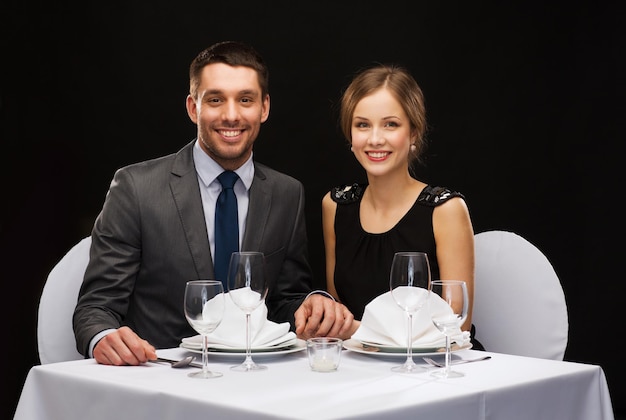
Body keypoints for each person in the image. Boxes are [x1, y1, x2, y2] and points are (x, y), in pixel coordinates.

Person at [73, 41, 355, 366]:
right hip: (163, 379)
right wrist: (102, 337)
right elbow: (96, 308)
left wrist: (313, 303)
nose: (231, 115)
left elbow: (283, 301)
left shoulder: (286, 193)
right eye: (216, 100)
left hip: (257, 380)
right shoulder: (136, 188)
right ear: (194, 108)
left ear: (264, 108)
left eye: (245, 100)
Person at [322, 64, 484, 349]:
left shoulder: (445, 209)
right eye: (362, 124)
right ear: (350, 135)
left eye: (390, 124)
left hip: (434, 369)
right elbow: (340, 314)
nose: (375, 139)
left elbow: (456, 328)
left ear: (413, 134)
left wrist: (360, 331)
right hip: (360, 366)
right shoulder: (335, 206)